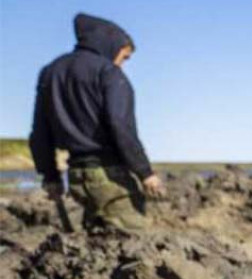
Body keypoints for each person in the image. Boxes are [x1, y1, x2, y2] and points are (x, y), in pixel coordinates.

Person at [29, 13, 164, 232]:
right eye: (125, 57)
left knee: (97, 245)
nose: (122, 64)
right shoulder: (108, 73)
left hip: (76, 178)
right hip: (109, 176)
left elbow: (40, 132)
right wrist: (145, 172)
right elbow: (120, 126)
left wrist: (50, 176)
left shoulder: (50, 72)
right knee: (140, 245)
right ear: (111, 45)